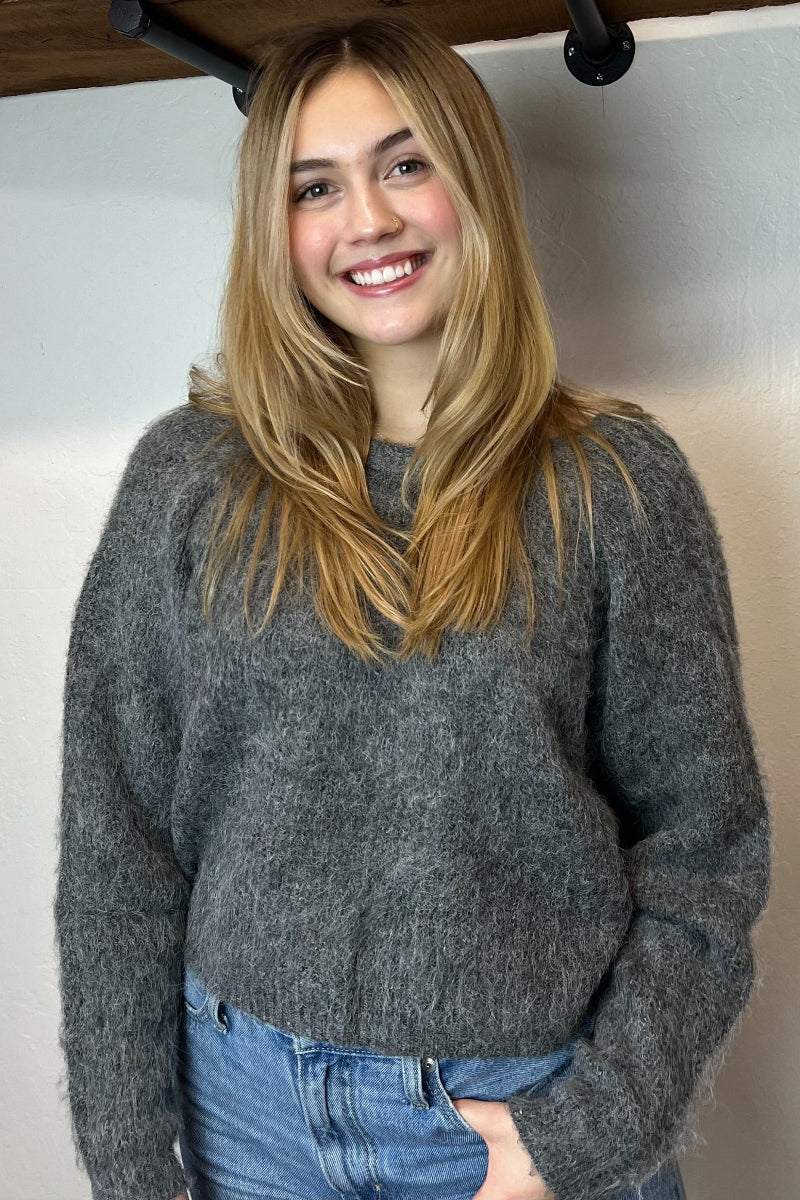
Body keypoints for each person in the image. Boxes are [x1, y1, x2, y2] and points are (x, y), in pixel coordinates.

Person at [53, 14, 772, 1200]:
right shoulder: (189, 481)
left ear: (469, 181)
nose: (368, 220)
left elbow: (705, 851)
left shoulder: (613, 484)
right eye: (314, 186)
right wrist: (133, 1168)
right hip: (245, 1117)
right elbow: (114, 850)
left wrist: (577, 1134)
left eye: (403, 164)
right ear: (272, 229)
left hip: (520, 1110)